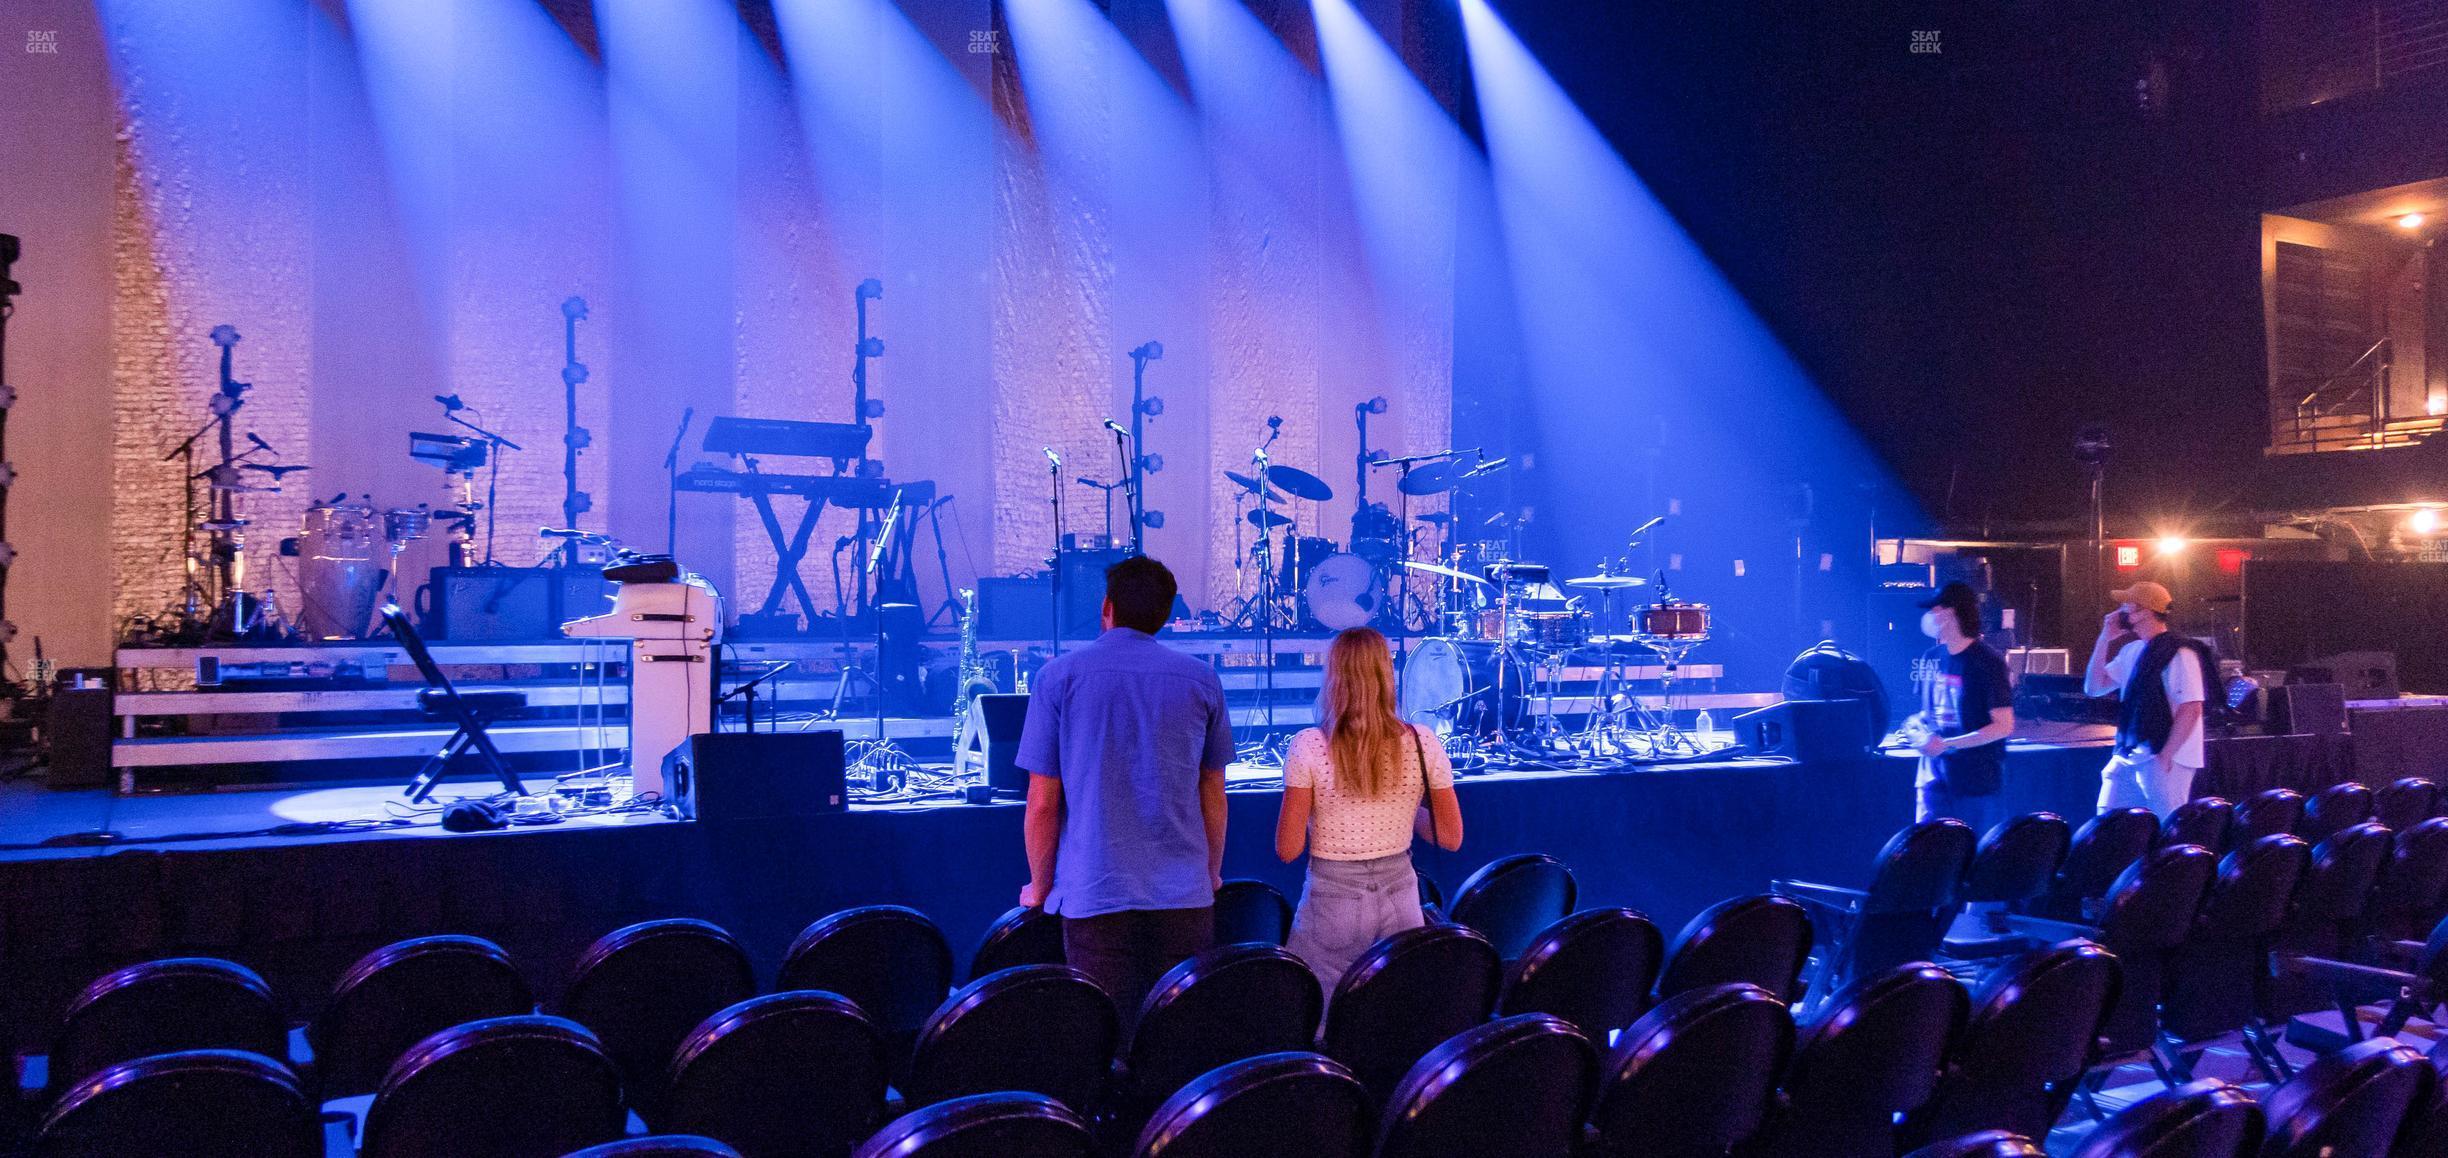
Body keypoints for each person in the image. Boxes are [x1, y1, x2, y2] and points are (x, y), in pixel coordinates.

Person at [1016, 555, 1235, 1032]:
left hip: (1094, 896)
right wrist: (1211, 873)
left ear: (1106, 608)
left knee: (1102, 1036)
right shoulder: (1202, 679)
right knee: (1177, 1038)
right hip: (1184, 897)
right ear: (1167, 614)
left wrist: (1038, 886)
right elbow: (1213, 794)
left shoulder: (1058, 677)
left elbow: (1042, 802)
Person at [1275, 628, 1465, 996]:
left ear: (1333, 677)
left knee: (1323, 1021)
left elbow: (1287, 849)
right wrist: (1401, 807)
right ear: (1386, 675)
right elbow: (1451, 837)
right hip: (1402, 898)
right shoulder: (1423, 741)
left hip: (1332, 904)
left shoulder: (1308, 746)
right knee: (1392, 1013)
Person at [2083, 579, 2214, 818]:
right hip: (2129, 752)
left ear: (2144, 612)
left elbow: (2191, 708)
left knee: (2166, 824)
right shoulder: (2132, 650)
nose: (2121, 611)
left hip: (2163, 754)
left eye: (2127, 605)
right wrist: (2104, 639)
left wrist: (2166, 755)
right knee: (2108, 821)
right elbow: (2093, 687)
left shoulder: (2180, 652)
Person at [1903, 581, 2016, 834]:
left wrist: (1948, 744)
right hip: (1934, 782)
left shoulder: (1988, 662)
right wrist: (1916, 731)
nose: (1930, 615)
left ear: (1951, 612)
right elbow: (1923, 714)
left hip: (1976, 784)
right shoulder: (1931, 657)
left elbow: (2003, 725)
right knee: (1930, 855)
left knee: (1975, 859)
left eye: (1935, 609)